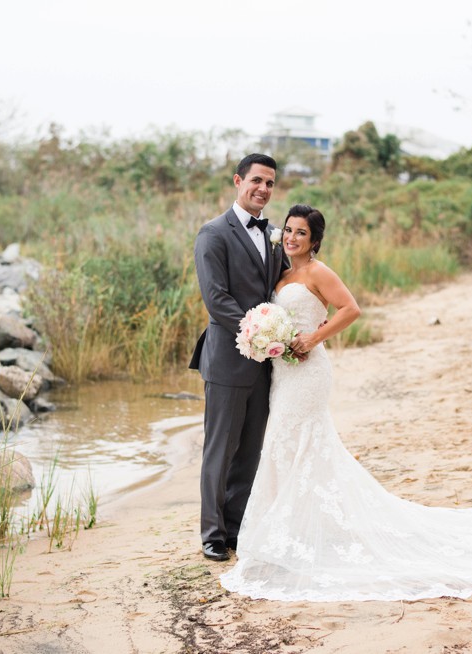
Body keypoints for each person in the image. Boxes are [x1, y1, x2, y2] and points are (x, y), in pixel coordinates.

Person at [220, 204, 472, 601]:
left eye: (301, 233)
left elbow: (351, 308)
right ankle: (294, 531)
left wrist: (313, 337)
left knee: (298, 443)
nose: (291, 237)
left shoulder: (317, 272)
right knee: (287, 448)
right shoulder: (283, 271)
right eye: (288, 230)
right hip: (284, 373)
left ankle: (298, 536)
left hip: (308, 373)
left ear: (315, 240)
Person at [190, 154, 288, 562]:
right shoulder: (213, 233)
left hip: (266, 363)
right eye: (256, 181)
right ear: (237, 181)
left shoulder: (273, 235)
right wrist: (260, 332)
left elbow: (279, 285)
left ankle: (235, 529)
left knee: (249, 450)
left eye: (269, 183)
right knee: (220, 449)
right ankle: (211, 533)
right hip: (229, 360)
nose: (263, 189)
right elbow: (216, 300)